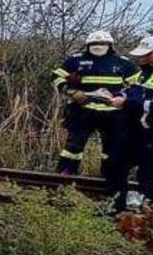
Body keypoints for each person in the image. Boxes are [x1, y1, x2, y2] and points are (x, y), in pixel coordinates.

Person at [51, 30, 141, 211]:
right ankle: (64, 178)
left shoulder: (123, 63)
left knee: (111, 150)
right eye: (94, 45)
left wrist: (122, 97)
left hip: (112, 114)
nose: (98, 47)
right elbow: (56, 76)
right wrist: (71, 91)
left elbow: (136, 86)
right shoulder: (75, 60)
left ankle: (109, 183)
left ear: (111, 45)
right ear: (87, 45)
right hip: (83, 111)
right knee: (73, 148)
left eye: (103, 44)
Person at [122, 36, 153, 209]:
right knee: (121, 165)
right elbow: (129, 91)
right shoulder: (142, 75)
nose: (140, 58)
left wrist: (128, 103)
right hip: (140, 132)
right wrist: (119, 96)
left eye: (145, 55)